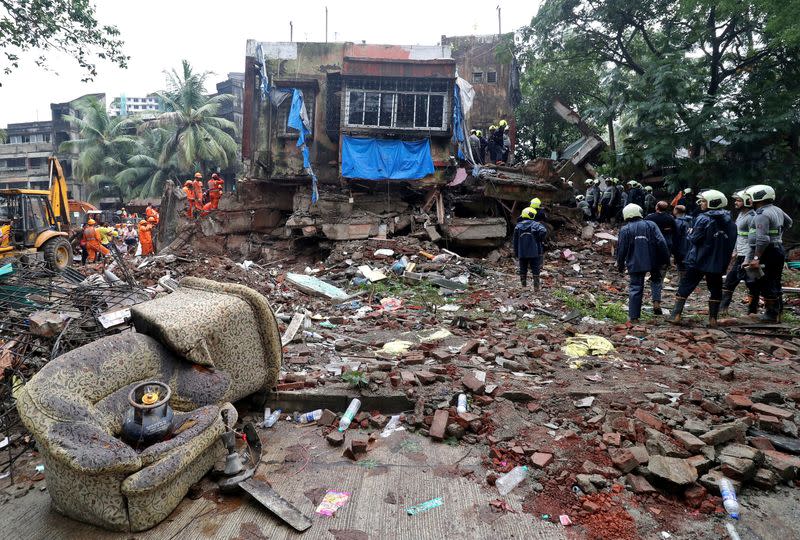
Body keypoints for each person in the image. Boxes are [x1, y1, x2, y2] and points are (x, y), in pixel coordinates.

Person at [667, 190, 736, 327]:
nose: (701, 203)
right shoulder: (730, 221)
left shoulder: (703, 218)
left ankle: (676, 315)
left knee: (686, 285)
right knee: (716, 289)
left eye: (704, 201)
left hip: (699, 259)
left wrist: (690, 232)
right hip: (718, 261)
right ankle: (713, 320)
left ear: (712, 202)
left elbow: (694, 238)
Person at [742, 184, 793, 322]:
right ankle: (778, 312)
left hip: (767, 251)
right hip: (777, 249)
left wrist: (756, 257)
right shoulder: (777, 210)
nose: (750, 201)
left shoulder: (762, 214)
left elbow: (763, 239)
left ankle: (771, 314)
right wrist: (778, 236)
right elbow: (789, 222)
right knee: (775, 281)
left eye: (751, 198)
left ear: (758, 197)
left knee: (766, 282)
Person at [617, 203, 670, 324]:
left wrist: (620, 264)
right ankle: (656, 303)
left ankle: (634, 317)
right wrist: (666, 259)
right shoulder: (651, 225)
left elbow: (621, 249)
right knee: (656, 281)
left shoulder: (625, 229)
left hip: (635, 262)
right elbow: (661, 242)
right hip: (653, 260)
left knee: (636, 287)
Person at [719, 191, 757, 316]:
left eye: (739, 200)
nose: (735, 202)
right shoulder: (741, 215)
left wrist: (748, 258)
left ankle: (752, 311)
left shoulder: (752, 217)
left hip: (748, 256)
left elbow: (753, 240)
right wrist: (735, 250)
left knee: (752, 284)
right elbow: (738, 235)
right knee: (730, 281)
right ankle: (723, 309)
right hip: (740, 254)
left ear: (746, 202)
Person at [513, 207, 547, 291]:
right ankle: (536, 287)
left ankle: (523, 286)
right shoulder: (536, 224)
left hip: (522, 252)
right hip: (534, 252)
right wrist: (538, 238)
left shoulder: (517, 226)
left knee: (523, 268)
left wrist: (516, 252)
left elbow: (515, 241)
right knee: (535, 268)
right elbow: (544, 231)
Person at [672, 205, 692, 281]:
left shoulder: (677, 222)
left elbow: (676, 236)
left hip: (680, 246)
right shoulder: (690, 220)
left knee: (681, 264)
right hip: (690, 245)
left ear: (676, 211)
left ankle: (682, 281)